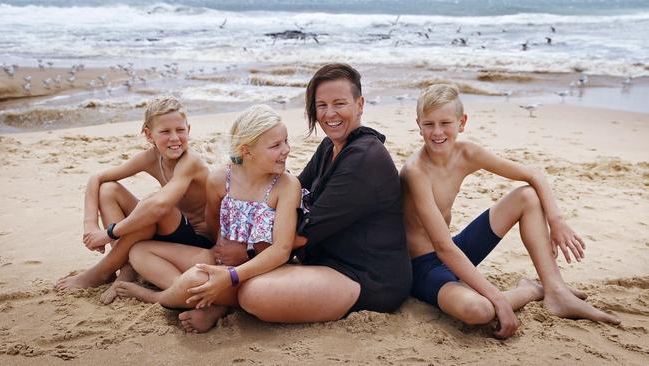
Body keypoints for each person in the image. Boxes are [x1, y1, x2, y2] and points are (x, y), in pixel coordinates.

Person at [401, 83, 621, 339]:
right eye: (429, 124)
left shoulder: (467, 153)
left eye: (445, 122)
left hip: (454, 250)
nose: (437, 132)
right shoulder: (415, 172)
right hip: (423, 267)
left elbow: (533, 174)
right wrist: (497, 298)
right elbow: (441, 247)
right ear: (419, 125)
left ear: (462, 122)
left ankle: (556, 290)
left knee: (527, 196)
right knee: (479, 310)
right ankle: (528, 290)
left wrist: (556, 221)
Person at [229, 63, 412, 325]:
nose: (329, 114)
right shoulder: (330, 145)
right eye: (321, 105)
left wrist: (248, 248)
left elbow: (304, 232)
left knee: (253, 292)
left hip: (366, 277)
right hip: (323, 261)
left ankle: (219, 304)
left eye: (339, 103)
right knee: (240, 268)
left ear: (360, 104)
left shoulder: (364, 159)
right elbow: (291, 192)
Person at [115, 104, 301, 333]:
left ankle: (160, 297)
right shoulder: (220, 179)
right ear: (246, 151)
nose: (286, 149)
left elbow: (282, 250)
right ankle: (212, 301)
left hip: (259, 271)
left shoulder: (286, 185)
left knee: (195, 278)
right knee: (139, 252)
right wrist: (221, 249)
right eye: (276, 145)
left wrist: (240, 259)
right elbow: (213, 224)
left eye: (286, 141)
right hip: (221, 259)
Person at [55, 96, 213, 305]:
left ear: (188, 129)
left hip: (197, 239)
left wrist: (109, 232)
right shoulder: (151, 157)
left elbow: (160, 207)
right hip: (168, 229)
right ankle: (126, 268)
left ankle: (103, 270)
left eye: (180, 130)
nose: (174, 138)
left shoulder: (190, 161)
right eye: (165, 132)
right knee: (109, 190)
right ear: (149, 134)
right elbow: (97, 178)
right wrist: (90, 226)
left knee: (153, 206)